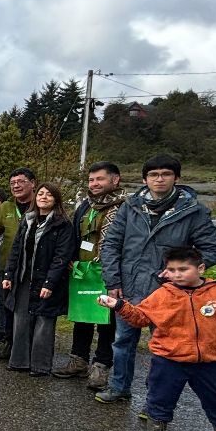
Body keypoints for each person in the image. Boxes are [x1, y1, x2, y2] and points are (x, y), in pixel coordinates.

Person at [97, 247, 216, 431]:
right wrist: (119, 306)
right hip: (168, 361)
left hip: (210, 363)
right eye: (171, 270)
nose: (177, 274)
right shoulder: (163, 294)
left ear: (200, 268)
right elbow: (141, 317)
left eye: (183, 269)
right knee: (159, 400)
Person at [96, 155, 216, 404]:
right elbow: (111, 245)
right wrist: (113, 282)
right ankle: (119, 387)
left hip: (170, 293)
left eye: (165, 174)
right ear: (145, 179)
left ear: (176, 177)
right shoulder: (130, 206)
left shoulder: (193, 211)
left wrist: (183, 272)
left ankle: (155, 401)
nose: (159, 179)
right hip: (129, 289)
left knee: (164, 348)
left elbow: (212, 249)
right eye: (153, 175)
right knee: (122, 342)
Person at [55, 161, 127, 386]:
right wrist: (70, 260)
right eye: (91, 180)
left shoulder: (126, 207)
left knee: (107, 321)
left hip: (112, 273)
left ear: (115, 180)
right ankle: (78, 361)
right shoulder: (85, 206)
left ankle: (101, 366)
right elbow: (74, 235)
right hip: (84, 272)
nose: (94, 184)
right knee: (82, 317)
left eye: (100, 179)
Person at [2, 183, 74, 376]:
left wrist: (50, 283)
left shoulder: (63, 224)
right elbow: (16, 249)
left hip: (47, 280)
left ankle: (40, 366)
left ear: (56, 199)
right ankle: (19, 361)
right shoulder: (27, 220)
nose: (44, 197)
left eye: (49, 195)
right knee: (21, 320)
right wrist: (9, 274)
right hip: (24, 278)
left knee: (44, 322)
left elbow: (62, 256)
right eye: (41, 193)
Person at [0, 168, 37, 360]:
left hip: (33, 267)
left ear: (33, 183)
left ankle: (31, 342)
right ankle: (8, 339)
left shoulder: (41, 204)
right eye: (12, 183)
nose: (16, 186)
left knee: (30, 306)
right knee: (7, 305)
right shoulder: (5, 208)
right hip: (7, 266)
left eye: (21, 181)